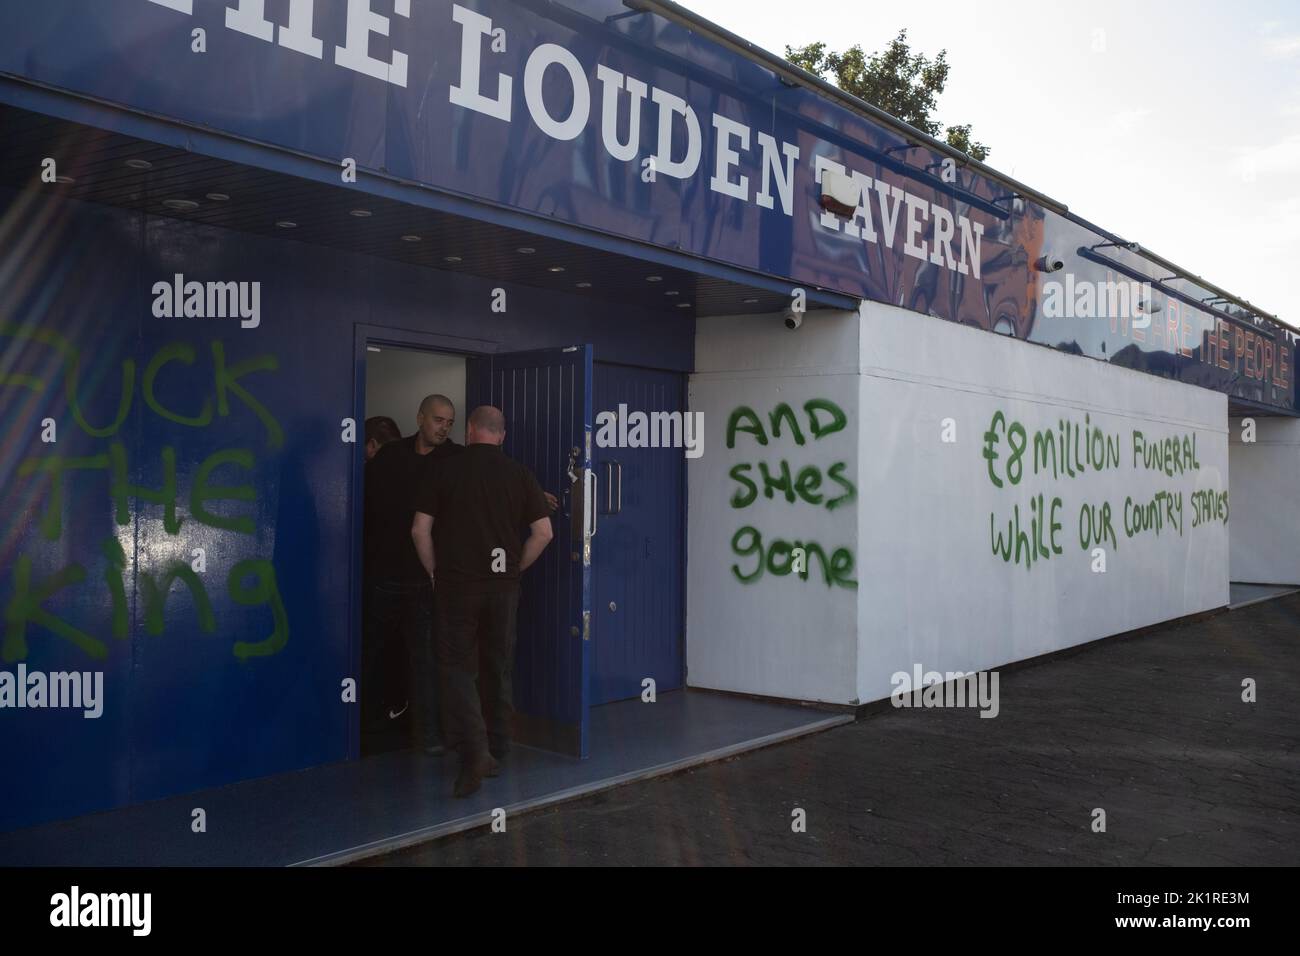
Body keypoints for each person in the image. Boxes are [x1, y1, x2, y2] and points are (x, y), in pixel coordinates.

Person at [411, 405, 554, 798]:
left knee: (457, 669)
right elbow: (543, 533)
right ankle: (499, 745)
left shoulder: (444, 469)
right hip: (503, 588)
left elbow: (419, 529)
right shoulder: (519, 474)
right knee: (497, 664)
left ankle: (474, 750)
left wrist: (434, 572)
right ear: (502, 435)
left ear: (471, 431)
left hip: (458, 586)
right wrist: (515, 569)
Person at [362, 395, 462, 753]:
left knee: (425, 660)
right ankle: (366, 728)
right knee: (372, 652)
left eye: (449, 422)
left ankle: (428, 735)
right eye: (438, 420)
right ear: (420, 417)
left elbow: (489, 487)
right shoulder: (390, 456)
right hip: (383, 573)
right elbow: (362, 499)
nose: (444, 427)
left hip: (424, 578)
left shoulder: (456, 458)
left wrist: (530, 496)